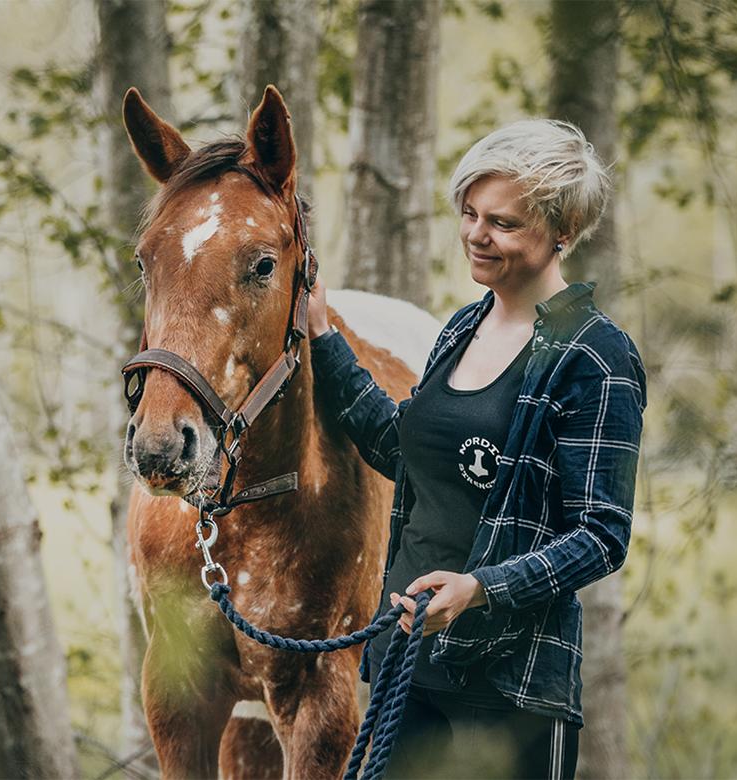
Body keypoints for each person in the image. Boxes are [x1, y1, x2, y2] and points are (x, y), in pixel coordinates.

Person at [307, 119, 647, 780]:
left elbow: (602, 534)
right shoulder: (462, 328)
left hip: (514, 685)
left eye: (504, 222)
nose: (476, 234)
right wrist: (324, 338)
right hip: (409, 662)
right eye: (469, 213)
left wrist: (479, 589)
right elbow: (404, 454)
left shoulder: (596, 356)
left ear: (562, 232)